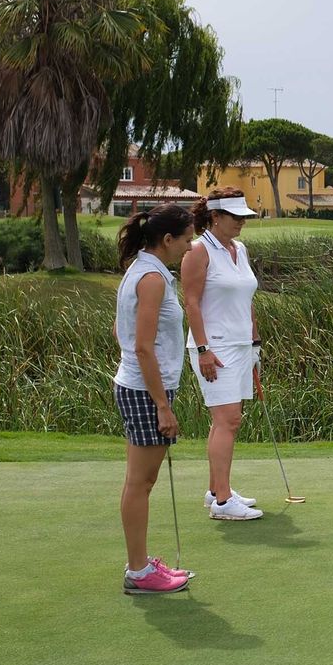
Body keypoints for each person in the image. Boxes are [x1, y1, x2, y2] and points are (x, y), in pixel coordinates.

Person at [113, 205, 197, 593]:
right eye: (186, 238)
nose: (190, 245)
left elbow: (121, 330)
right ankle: (138, 571)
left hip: (141, 385)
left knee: (139, 481)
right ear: (167, 240)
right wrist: (162, 405)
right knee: (141, 482)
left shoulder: (145, 270)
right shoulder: (152, 278)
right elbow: (143, 347)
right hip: (146, 390)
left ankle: (140, 565)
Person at [182, 187, 265, 521]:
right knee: (228, 419)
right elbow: (191, 302)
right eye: (235, 218)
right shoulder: (198, 251)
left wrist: (255, 344)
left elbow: (246, 300)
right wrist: (203, 350)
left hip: (241, 345)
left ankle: (216, 490)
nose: (241, 223)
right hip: (213, 348)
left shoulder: (239, 249)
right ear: (215, 217)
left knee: (226, 420)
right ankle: (222, 502)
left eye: (244, 218)